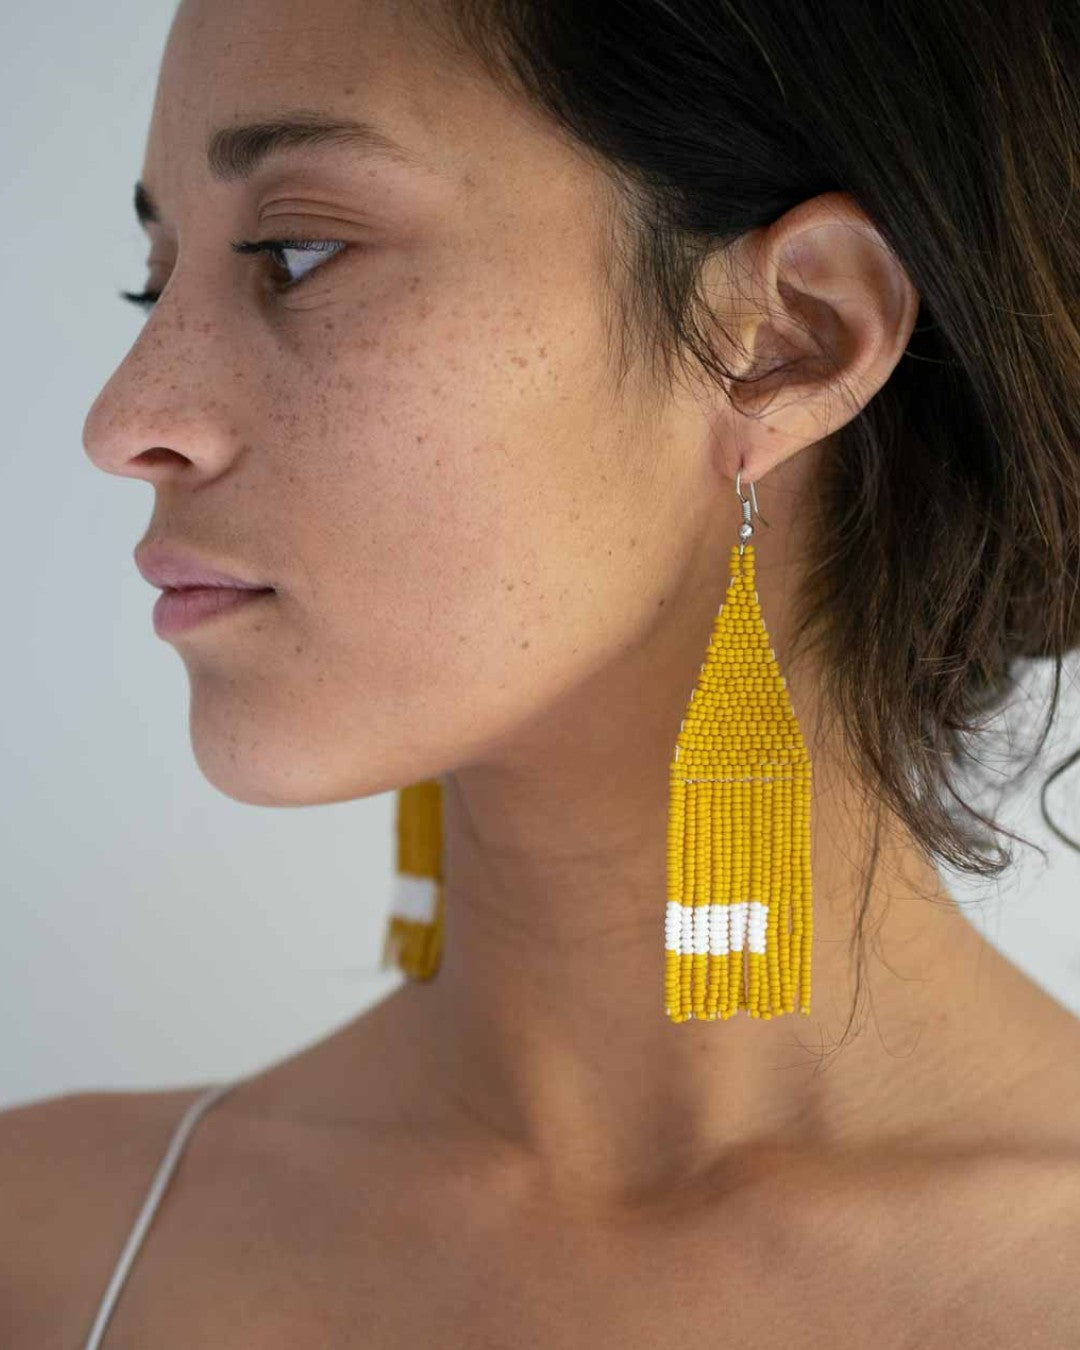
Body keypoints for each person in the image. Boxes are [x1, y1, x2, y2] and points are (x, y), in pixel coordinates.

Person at [5, 0, 1080, 1343]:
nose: (126, 417)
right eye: (154, 277)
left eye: (295, 250)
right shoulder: (42, 1255)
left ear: (793, 334)